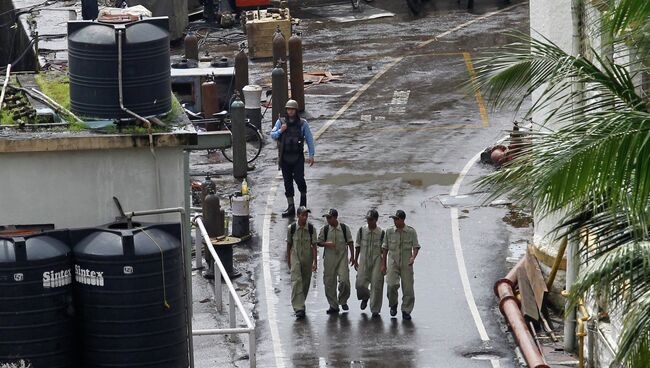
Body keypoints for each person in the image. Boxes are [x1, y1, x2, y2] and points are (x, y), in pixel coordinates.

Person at [270, 100, 315, 218]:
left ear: (296, 110)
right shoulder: (281, 122)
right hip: (285, 158)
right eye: (288, 109)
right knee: (287, 182)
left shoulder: (302, 123)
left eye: (292, 109)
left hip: (298, 157)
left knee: (300, 179)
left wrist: (311, 155)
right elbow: (273, 134)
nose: (290, 111)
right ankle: (290, 206)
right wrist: (281, 130)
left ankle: (303, 203)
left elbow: (309, 139)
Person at [381, 210, 420, 320]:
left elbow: (416, 246)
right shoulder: (389, 231)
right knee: (391, 285)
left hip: (406, 263)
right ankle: (393, 304)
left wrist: (413, 257)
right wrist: (383, 264)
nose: (394, 221)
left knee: (408, 289)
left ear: (402, 219)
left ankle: (406, 310)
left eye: (396, 219)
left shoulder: (411, 232)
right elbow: (385, 248)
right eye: (393, 219)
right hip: (393, 261)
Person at [317, 209, 354, 314]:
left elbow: (350, 242)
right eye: (327, 218)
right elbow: (318, 242)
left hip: (342, 258)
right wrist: (326, 244)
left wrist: (353, 256)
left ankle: (343, 300)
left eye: (330, 217)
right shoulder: (324, 229)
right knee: (329, 282)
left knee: (344, 281)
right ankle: (333, 305)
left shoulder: (344, 228)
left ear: (335, 217)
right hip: (329, 259)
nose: (328, 220)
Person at [286, 206, 318, 319]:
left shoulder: (311, 228)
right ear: (297, 216)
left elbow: (314, 246)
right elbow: (289, 245)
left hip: (307, 258)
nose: (305, 217)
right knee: (296, 281)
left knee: (305, 281)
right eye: (303, 215)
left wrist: (315, 261)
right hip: (295, 257)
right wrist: (288, 260)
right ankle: (298, 307)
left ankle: (301, 303)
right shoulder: (292, 228)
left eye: (306, 215)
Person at [354, 209, 385, 318]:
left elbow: (385, 250)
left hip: (377, 260)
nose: (369, 221)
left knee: (377, 284)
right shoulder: (362, 231)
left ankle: (375, 309)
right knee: (360, 283)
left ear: (376, 220)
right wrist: (355, 259)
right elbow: (357, 245)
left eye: (371, 220)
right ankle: (365, 297)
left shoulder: (382, 233)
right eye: (367, 219)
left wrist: (384, 264)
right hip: (364, 259)